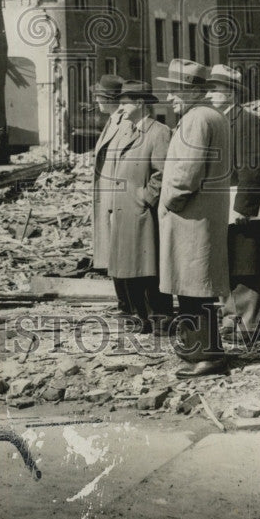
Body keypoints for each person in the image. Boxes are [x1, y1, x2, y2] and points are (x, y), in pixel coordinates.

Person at [157, 59, 231, 378]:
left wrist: (170, 202)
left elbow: (187, 173)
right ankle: (194, 349)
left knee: (195, 286)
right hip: (202, 216)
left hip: (191, 217)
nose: (170, 98)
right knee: (194, 284)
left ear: (190, 92)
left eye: (174, 92)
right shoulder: (211, 116)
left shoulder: (196, 120)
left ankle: (208, 354)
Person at [205, 64, 260, 342]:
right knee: (228, 264)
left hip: (243, 207)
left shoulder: (247, 122)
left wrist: (243, 207)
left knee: (246, 266)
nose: (209, 95)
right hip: (223, 205)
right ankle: (230, 320)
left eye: (215, 89)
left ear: (231, 93)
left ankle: (248, 325)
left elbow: (253, 169)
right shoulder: (219, 121)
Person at [106, 81, 172, 333]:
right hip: (125, 211)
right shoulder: (128, 132)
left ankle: (160, 319)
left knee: (148, 269)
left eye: (124, 103)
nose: (120, 108)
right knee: (129, 268)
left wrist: (145, 198)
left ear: (141, 103)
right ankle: (139, 318)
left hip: (143, 212)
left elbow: (162, 172)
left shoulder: (159, 132)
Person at [90, 73, 125, 284]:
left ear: (110, 99)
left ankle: (128, 306)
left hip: (116, 199)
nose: (96, 100)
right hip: (107, 197)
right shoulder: (112, 121)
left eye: (99, 96)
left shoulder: (122, 122)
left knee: (121, 255)